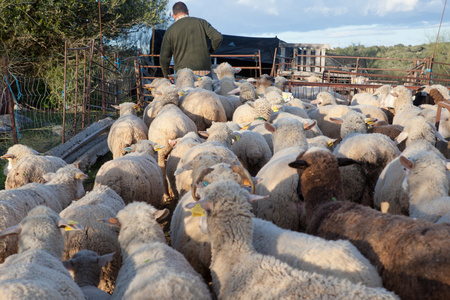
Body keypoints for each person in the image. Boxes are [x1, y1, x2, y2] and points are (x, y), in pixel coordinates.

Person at [159, 1, 223, 79]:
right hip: (204, 71)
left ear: (173, 16)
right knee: (205, 91)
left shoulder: (170, 30)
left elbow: (164, 57)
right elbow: (218, 37)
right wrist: (210, 51)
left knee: (185, 91)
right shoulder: (202, 23)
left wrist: (167, 76)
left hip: (183, 73)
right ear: (188, 12)